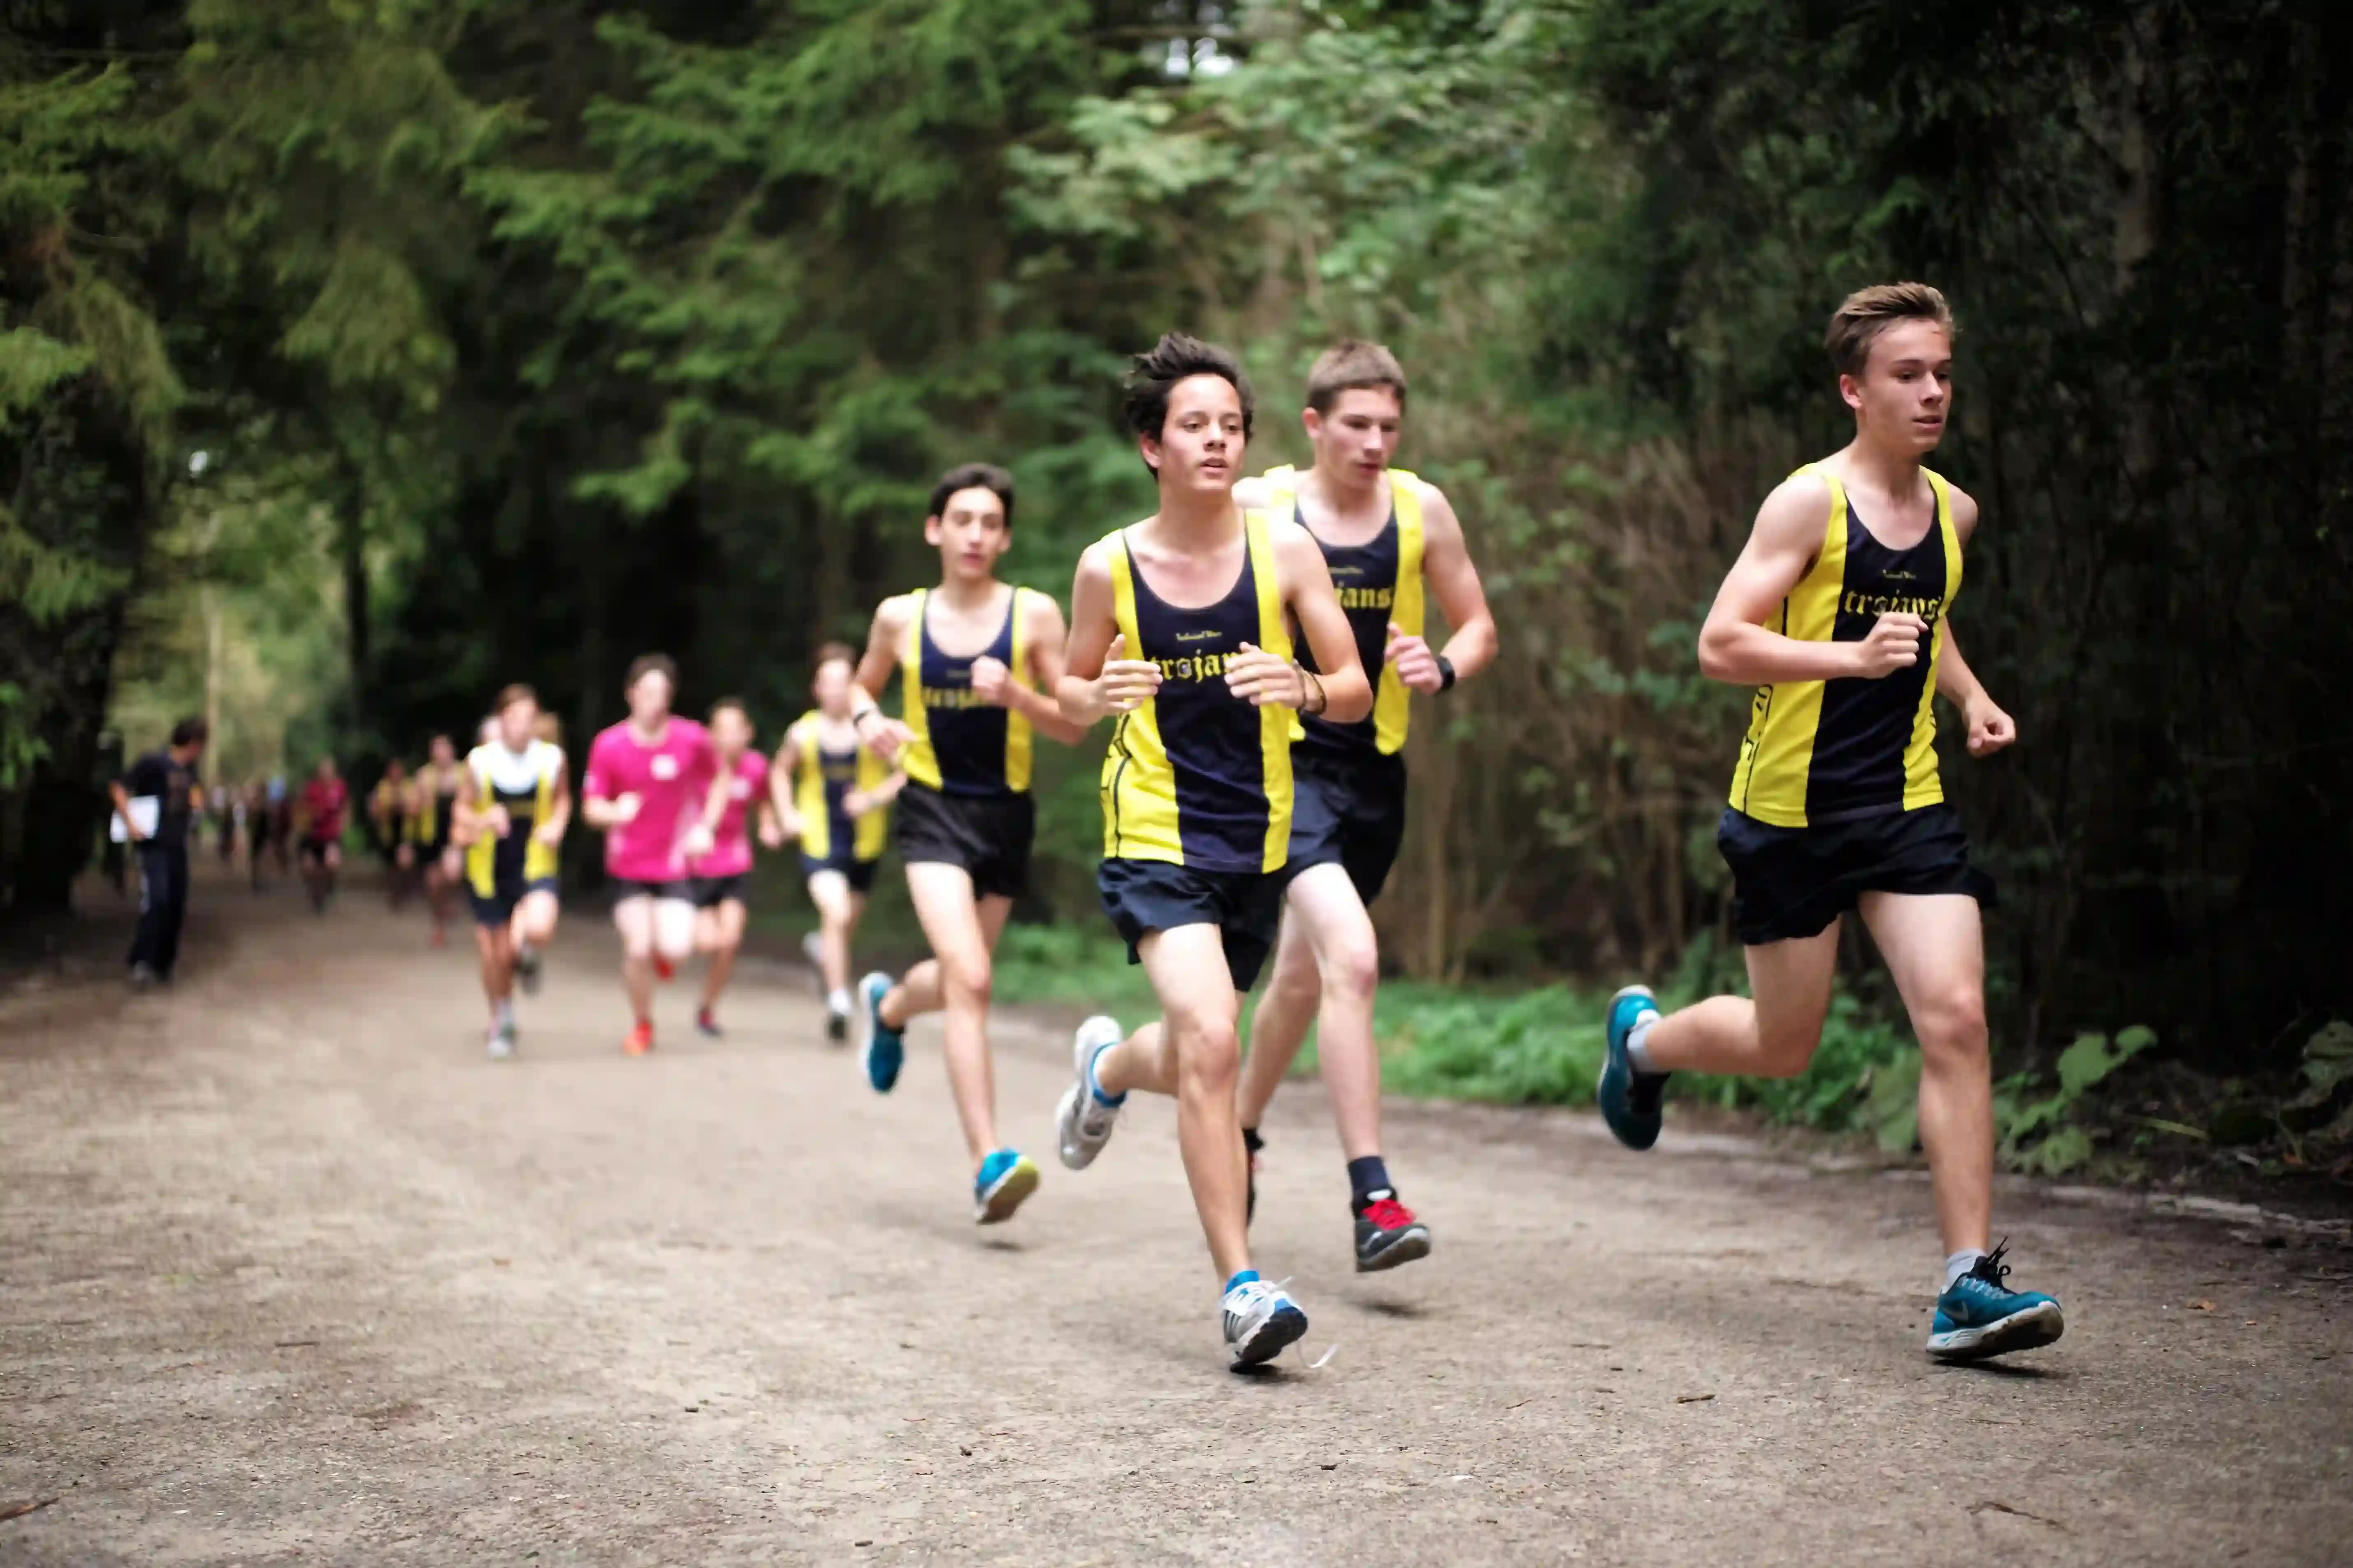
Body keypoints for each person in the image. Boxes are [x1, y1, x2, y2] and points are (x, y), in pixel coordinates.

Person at [1594, 282, 2063, 1362]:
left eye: (1943, 372)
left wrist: (1969, 695)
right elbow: (1722, 642)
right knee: (1783, 1042)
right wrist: (1845, 658)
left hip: (1908, 808)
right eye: (1909, 374)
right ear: (1855, 389)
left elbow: (1924, 623)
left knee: (1954, 1018)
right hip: (1789, 817)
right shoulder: (1808, 503)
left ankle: (1965, 1282)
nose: (1933, 391)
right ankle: (1646, 1043)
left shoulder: (1956, 511)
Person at [1050, 333, 1372, 1369]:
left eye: (1231, 425)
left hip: (1259, 838)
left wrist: (1306, 688)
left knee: (1199, 1044)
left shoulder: (1282, 550)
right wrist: (1093, 697)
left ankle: (1106, 1067)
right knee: (1210, 1035)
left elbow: (1356, 686)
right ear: (1153, 444)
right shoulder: (1110, 564)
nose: (1218, 441)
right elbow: (1064, 697)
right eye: (1195, 425)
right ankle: (1241, 1283)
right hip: (1152, 831)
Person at [1226, 342, 1498, 1272]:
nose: (1377, 443)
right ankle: (1374, 1198)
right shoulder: (1262, 505)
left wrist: (1444, 663)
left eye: (1390, 426)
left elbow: (1479, 623)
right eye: (1358, 426)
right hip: (1281, 767)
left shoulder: (1420, 511)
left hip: (1375, 775)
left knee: (1301, 982)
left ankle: (1239, 1130)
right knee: (1354, 957)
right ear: (1314, 425)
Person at [842, 462, 1086, 1226]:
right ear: (935, 529)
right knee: (971, 978)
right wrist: (866, 723)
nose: (976, 534)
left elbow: (1073, 724)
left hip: (1006, 816)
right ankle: (989, 1161)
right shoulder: (898, 618)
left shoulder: (1035, 616)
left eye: (989, 523)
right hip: (931, 811)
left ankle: (888, 1009)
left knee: (955, 980)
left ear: (1005, 537)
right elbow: (860, 685)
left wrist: (1016, 694)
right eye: (963, 520)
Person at [581, 654, 724, 1056]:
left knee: (677, 947)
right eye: (647, 693)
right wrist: (614, 812)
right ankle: (642, 1023)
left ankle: (664, 959)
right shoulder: (609, 745)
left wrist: (705, 826)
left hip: (673, 864)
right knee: (638, 947)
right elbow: (591, 808)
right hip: (627, 866)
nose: (655, 702)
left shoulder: (691, 738)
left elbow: (720, 779)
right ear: (630, 695)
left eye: (662, 693)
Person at [773, 647, 903, 1041]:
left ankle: (821, 952)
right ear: (817, 688)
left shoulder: (874, 729)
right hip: (819, 838)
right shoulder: (802, 732)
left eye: (843, 683)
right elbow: (779, 772)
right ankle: (839, 1002)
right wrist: (787, 813)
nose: (835, 691)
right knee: (837, 912)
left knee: (843, 925)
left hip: (865, 843)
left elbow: (906, 773)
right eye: (828, 683)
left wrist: (872, 799)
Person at [458, 685, 571, 1059]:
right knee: (494, 957)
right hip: (490, 869)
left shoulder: (552, 759)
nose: (522, 726)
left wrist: (556, 825)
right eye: (514, 718)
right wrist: (483, 818)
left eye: (529, 718)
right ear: (501, 719)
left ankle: (525, 953)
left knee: (537, 928)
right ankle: (502, 1018)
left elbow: (563, 800)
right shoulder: (480, 762)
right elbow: (460, 814)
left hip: (535, 861)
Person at [685, 698, 784, 1038]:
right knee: (707, 942)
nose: (729, 737)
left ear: (748, 733)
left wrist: (769, 826)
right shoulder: (697, 766)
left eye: (736, 730)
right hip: (696, 866)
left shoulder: (756, 767)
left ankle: (707, 1008)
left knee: (730, 942)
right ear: (711, 735)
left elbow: (764, 803)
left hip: (735, 863)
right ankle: (672, 948)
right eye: (721, 730)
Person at [111, 717, 209, 986]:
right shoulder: (153, 762)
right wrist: (130, 822)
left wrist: (197, 804)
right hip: (152, 845)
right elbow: (119, 787)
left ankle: (164, 964)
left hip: (177, 846)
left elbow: (196, 798)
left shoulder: (191, 771)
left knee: (177, 904)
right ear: (193, 743)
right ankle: (141, 961)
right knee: (158, 899)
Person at [410, 733, 466, 947]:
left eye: (444, 749)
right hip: (431, 835)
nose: (441, 754)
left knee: (452, 875)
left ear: (452, 751)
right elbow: (413, 810)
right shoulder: (424, 776)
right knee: (433, 884)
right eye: (436, 750)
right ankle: (439, 925)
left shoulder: (464, 773)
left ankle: (451, 900)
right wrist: (422, 799)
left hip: (456, 835)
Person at [296, 756, 349, 913]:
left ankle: (330, 886)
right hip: (312, 835)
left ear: (334, 772)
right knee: (308, 868)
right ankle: (315, 894)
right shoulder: (311, 788)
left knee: (332, 863)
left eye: (329, 770)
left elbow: (346, 806)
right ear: (319, 773)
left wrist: (343, 824)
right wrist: (309, 817)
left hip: (331, 835)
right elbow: (301, 809)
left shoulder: (340, 787)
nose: (326, 773)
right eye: (323, 770)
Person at [370, 758, 417, 911]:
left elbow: (414, 808)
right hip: (389, 832)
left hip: (406, 832)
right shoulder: (382, 787)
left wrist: (397, 806)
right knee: (391, 866)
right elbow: (377, 809)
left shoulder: (410, 786)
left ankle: (404, 889)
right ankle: (394, 893)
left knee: (405, 862)